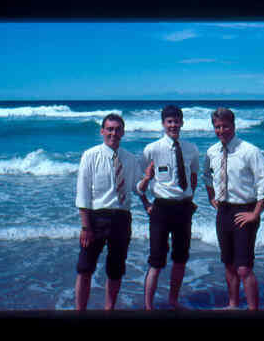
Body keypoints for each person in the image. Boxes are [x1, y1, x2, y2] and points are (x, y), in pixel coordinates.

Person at [203, 107, 264, 310]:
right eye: (217, 127)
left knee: (244, 268)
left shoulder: (249, 151)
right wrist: (211, 197)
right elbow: (207, 176)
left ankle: (253, 311)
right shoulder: (212, 151)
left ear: (233, 126)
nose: (221, 130)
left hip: (245, 211)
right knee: (228, 264)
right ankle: (232, 305)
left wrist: (255, 213)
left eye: (225, 126)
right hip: (223, 211)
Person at [74, 113, 144, 310]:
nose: (114, 133)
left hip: (122, 218)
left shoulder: (130, 159)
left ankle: (109, 310)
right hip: (96, 219)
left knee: (115, 271)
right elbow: (83, 192)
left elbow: (137, 187)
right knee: (84, 269)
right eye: (110, 129)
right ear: (102, 131)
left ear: (123, 132)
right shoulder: (90, 155)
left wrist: (147, 182)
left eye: (117, 129)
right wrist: (85, 226)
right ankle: (80, 311)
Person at [137, 104, 199, 310]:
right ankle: (149, 307)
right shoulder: (152, 149)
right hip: (161, 209)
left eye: (176, 121)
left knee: (181, 259)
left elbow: (193, 177)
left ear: (182, 122)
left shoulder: (191, 149)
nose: (173, 125)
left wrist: (189, 197)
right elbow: (139, 183)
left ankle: (173, 301)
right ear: (163, 124)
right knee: (156, 261)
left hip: (183, 209)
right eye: (169, 121)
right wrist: (146, 203)